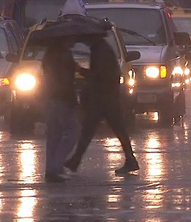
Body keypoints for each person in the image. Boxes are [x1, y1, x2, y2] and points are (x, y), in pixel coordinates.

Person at [64, 32, 140, 175]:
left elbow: (100, 75)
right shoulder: (100, 49)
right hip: (106, 97)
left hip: (103, 98)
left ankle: (75, 160)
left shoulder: (101, 51)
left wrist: (80, 70)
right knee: (108, 129)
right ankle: (76, 160)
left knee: (90, 129)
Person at [41, 36, 80, 183]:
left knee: (54, 135)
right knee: (72, 132)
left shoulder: (49, 55)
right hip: (62, 98)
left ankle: (51, 169)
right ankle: (56, 167)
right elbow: (64, 81)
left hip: (50, 97)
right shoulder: (63, 55)